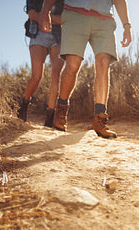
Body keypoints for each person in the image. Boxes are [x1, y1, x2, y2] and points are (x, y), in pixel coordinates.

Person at [39, 0, 132, 138]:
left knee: (104, 62)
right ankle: (61, 111)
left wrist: (126, 26)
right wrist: (45, 11)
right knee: (73, 64)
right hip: (74, 15)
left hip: (104, 19)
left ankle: (100, 120)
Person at [17, 0, 65, 127]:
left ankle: (50, 115)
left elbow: (65, 19)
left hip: (58, 36)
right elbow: (32, 15)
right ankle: (24, 104)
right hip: (38, 34)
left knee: (56, 74)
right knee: (37, 76)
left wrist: (46, 17)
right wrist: (53, 19)